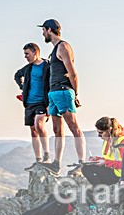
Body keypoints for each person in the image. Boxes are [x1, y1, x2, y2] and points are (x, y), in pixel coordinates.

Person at [36, 19, 86, 175]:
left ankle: (81, 164)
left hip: (64, 91)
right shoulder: (53, 51)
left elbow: (72, 73)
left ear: (49, 30)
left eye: (43, 30)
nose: (43, 33)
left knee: (74, 127)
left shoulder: (63, 47)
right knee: (57, 129)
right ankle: (56, 164)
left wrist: (75, 94)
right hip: (53, 93)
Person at [13, 43, 50, 168]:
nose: (25, 56)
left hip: (42, 102)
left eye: (27, 54)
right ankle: (38, 159)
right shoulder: (27, 68)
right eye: (24, 54)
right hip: (29, 103)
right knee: (33, 131)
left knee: (39, 124)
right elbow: (17, 75)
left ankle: (47, 155)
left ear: (35, 52)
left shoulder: (47, 66)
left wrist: (50, 103)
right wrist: (22, 87)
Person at [80, 117, 124, 186]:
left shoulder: (123, 142)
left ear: (109, 130)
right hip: (115, 172)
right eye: (98, 133)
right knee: (86, 168)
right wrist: (97, 159)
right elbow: (111, 159)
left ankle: (102, 190)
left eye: (101, 133)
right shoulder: (107, 141)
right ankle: (100, 189)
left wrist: (106, 162)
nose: (99, 136)